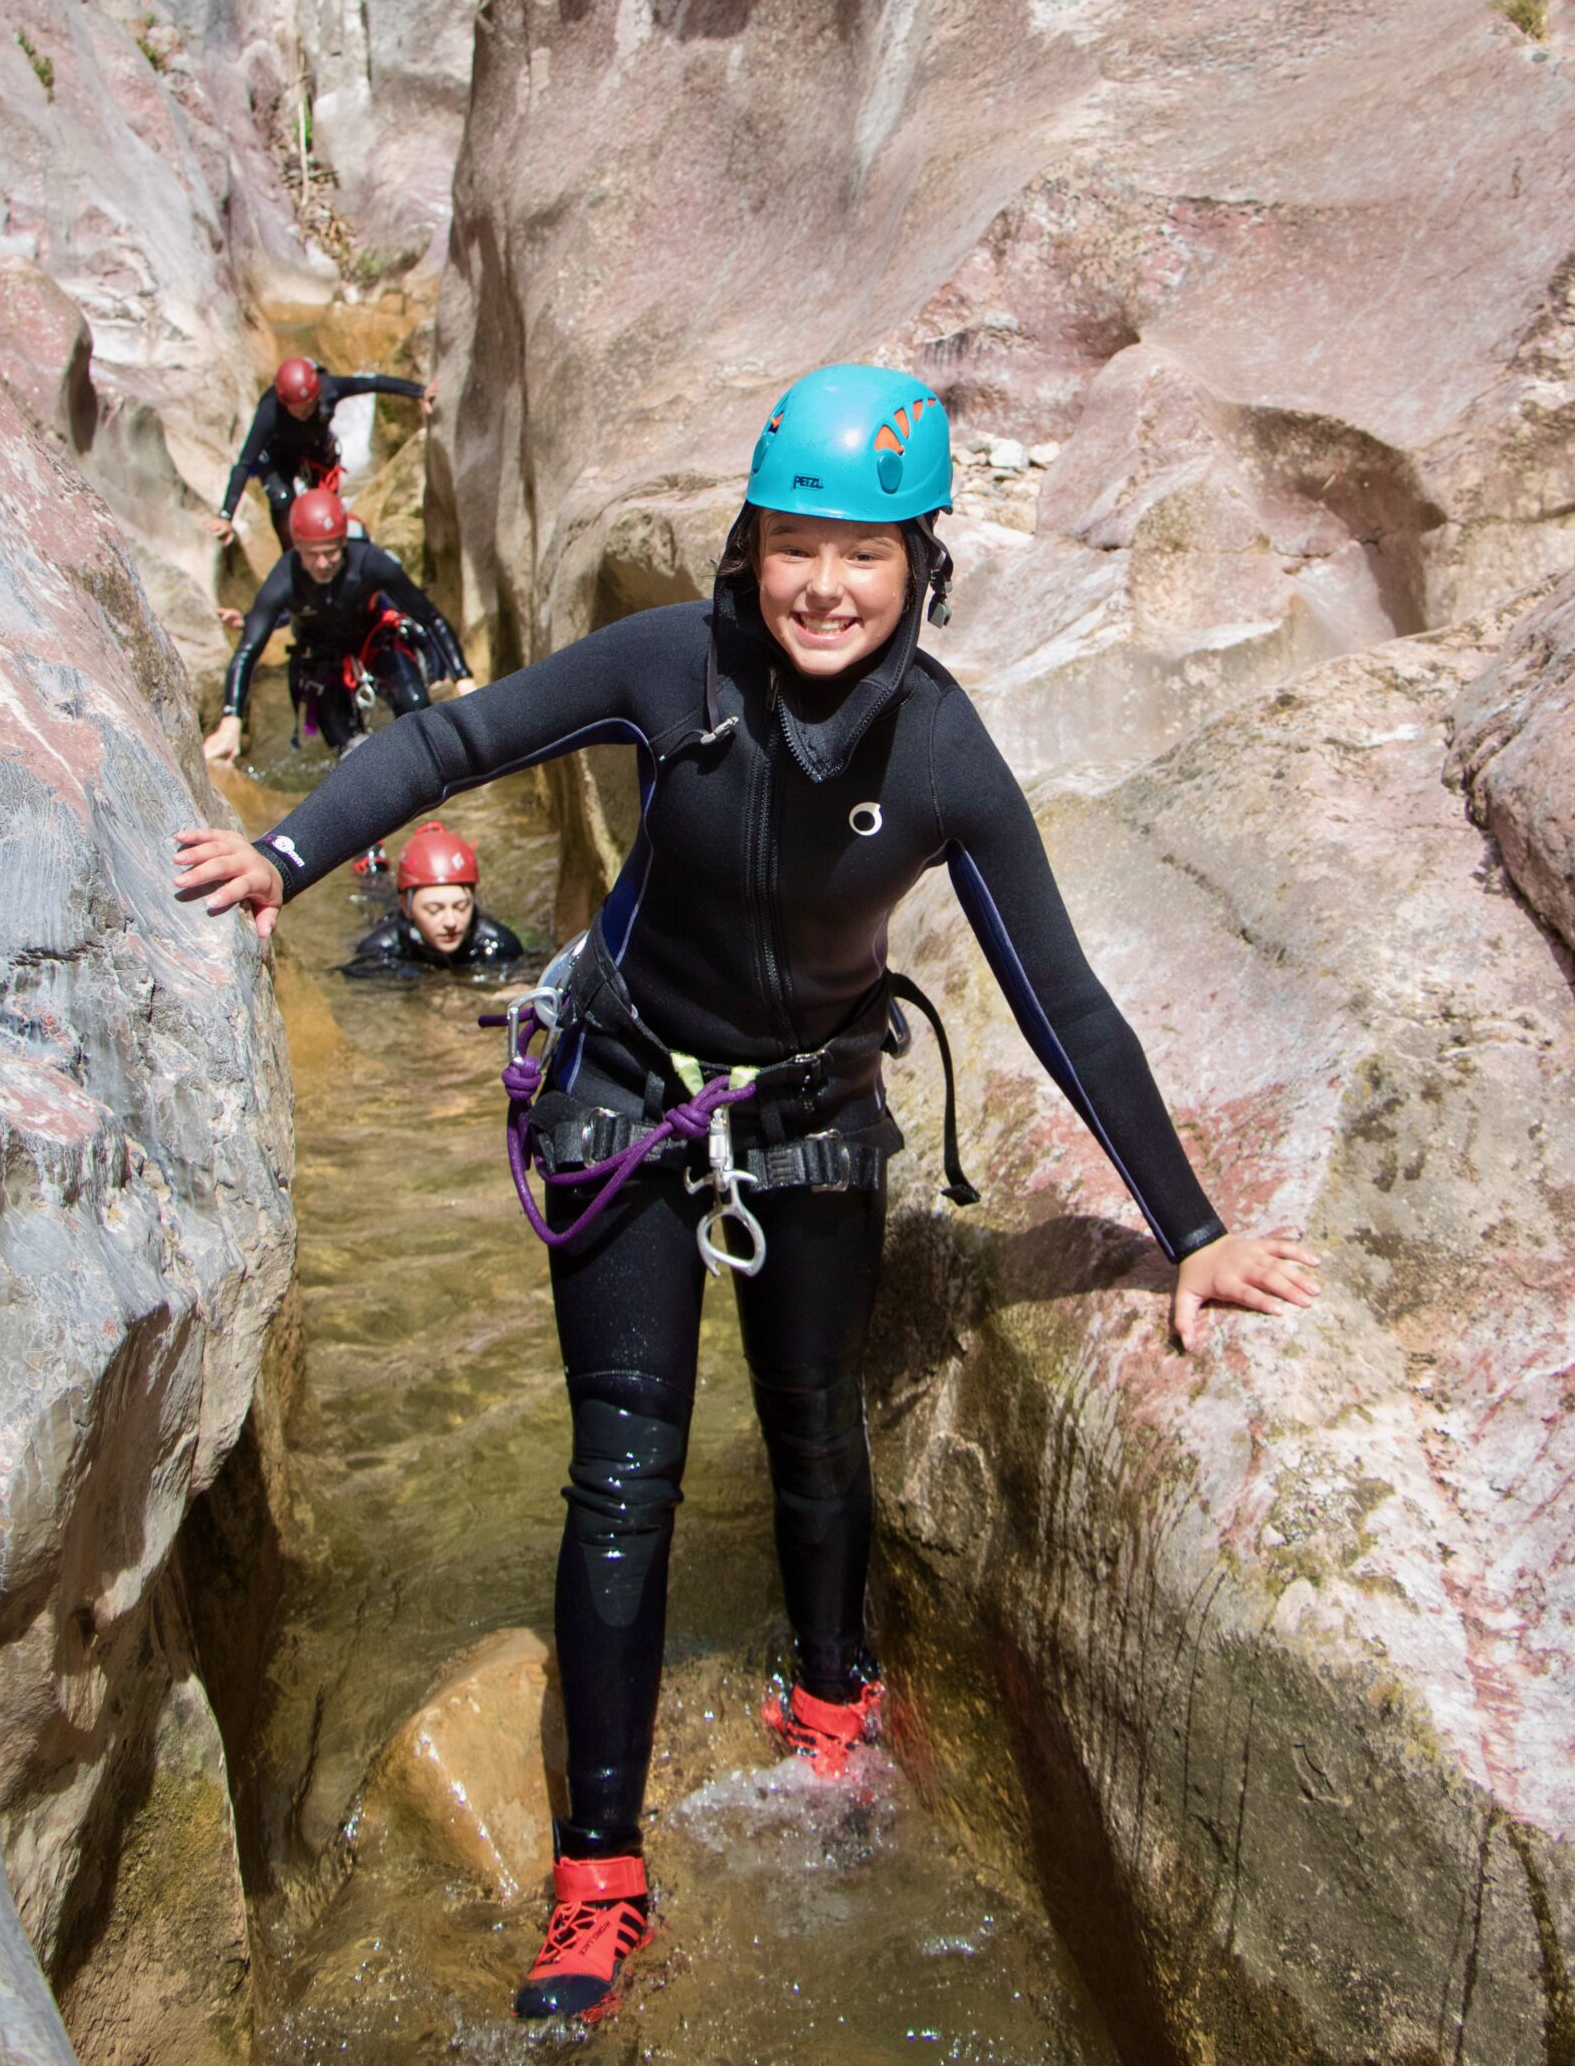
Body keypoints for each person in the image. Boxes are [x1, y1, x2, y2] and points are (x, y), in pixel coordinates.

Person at [173, 363, 1320, 2025]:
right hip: (625, 1092)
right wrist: (283, 857)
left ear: (925, 563)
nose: (824, 584)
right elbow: (459, 737)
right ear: (750, 543)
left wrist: (1194, 1235)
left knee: (814, 1427)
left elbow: (1061, 1001)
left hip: (808, 1107)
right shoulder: (677, 667)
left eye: (863, 552)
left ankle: (836, 1707)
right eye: (794, 542)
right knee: (624, 1468)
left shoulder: (941, 752)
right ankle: (595, 1873)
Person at [201, 487, 475, 764]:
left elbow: (431, 618)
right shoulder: (284, 579)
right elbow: (249, 649)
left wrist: (463, 680)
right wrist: (230, 719)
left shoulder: (369, 561)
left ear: (343, 541)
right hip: (323, 659)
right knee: (349, 752)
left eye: (331, 553)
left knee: (416, 707)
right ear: (297, 546)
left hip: (375, 643)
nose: (322, 564)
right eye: (312, 554)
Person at [204, 352, 438, 549]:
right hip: (277, 458)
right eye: (300, 409)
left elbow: (373, 383)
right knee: (283, 501)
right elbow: (244, 463)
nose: (307, 412)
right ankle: (291, 558)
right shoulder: (269, 412)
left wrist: (420, 391)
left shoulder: (329, 388)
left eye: (312, 405)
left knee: (325, 507)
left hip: (315, 451)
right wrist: (226, 516)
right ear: (285, 404)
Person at [344, 822, 526, 980]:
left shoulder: (500, 945)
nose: (451, 922)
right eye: (434, 910)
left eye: (461, 907)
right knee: (378, 892)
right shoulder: (379, 950)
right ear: (406, 906)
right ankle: (371, 862)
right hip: (398, 917)